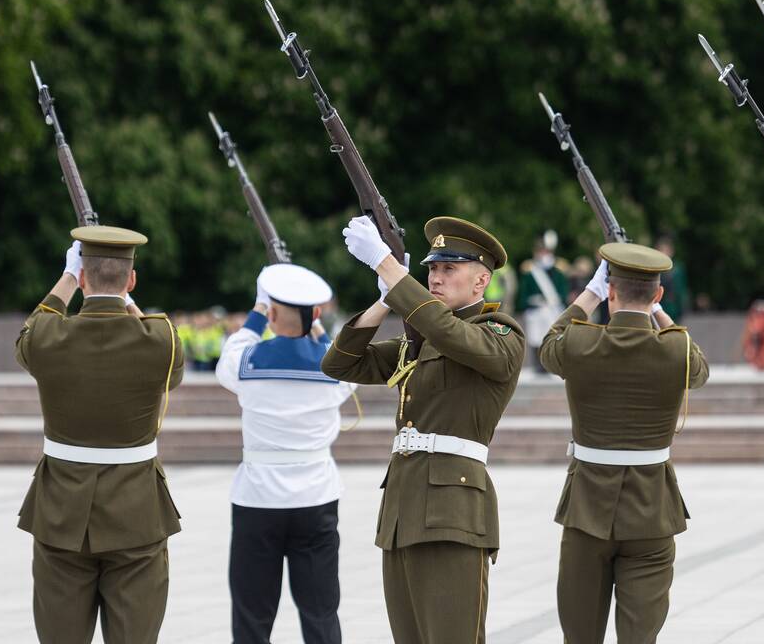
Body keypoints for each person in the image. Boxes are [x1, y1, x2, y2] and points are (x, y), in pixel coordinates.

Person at [321, 215, 525, 643]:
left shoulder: (500, 334)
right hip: (403, 510)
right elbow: (340, 363)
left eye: (449, 269)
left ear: (481, 280)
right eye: (431, 268)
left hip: (454, 511)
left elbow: (451, 333)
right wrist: (384, 300)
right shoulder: (422, 340)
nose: (435, 277)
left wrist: (387, 266)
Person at [14, 225, 184, 644]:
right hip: (137, 512)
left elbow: (29, 332)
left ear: (83, 276)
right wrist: (124, 299)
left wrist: (68, 278)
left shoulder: (48, 337)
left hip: (60, 510)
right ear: (131, 280)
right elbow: (171, 362)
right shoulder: (161, 340)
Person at [540, 242, 709, 643]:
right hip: (652, 510)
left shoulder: (580, 343)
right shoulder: (676, 349)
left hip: (587, 507)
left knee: (580, 635)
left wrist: (588, 297)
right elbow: (699, 369)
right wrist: (659, 314)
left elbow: (549, 346)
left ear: (610, 291)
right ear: (658, 294)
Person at [215, 264, 357, 644]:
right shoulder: (336, 370)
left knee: (252, 619)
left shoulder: (247, 363)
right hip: (316, 498)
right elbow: (336, 354)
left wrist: (259, 310)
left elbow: (232, 351)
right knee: (321, 613)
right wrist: (317, 326)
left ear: (272, 315)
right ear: (317, 313)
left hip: (257, 500)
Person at [517, 230, 568, 369]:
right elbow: (523, 294)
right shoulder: (530, 273)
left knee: (553, 336)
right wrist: (527, 304)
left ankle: (551, 364)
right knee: (535, 337)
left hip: (552, 310)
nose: (544, 255)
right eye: (542, 251)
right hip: (535, 311)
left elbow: (563, 293)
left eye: (546, 252)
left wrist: (557, 300)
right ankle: (537, 365)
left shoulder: (558, 272)